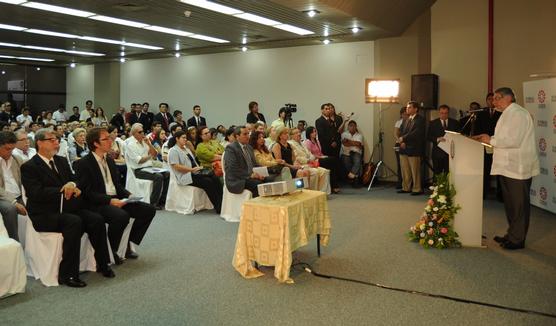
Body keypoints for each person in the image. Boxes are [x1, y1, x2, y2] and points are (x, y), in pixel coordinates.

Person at [21, 128, 114, 287]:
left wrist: (73, 185)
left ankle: (102, 263)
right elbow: (35, 193)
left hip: (68, 207)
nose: (56, 142)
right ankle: (68, 274)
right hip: (44, 213)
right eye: (52, 139)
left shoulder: (61, 161)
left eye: (57, 139)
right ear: (39, 143)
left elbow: (74, 180)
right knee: (74, 222)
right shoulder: (30, 166)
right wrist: (63, 189)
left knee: (96, 219)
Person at [75, 127, 156, 263]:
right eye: (105, 139)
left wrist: (128, 195)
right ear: (95, 143)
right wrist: (109, 201)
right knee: (121, 216)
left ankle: (127, 243)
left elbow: (117, 186)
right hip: (98, 202)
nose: (110, 141)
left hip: (116, 198)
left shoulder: (110, 160)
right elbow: (87, 192)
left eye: (110, 137)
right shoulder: (83, 163)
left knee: (148, 210)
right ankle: (110, 250)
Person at [474, 87, 539, 250]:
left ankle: (517, 240)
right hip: (506, 167)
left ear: (509, 98)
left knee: (518, 206)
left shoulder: (518, 114)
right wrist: (490, 140)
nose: (494, 101)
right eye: (494, 98)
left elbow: (514, 140)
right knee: (510, 204)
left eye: (497, 98)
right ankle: (512, 234)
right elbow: (504, 138)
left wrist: (491, 140)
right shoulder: (507, 113)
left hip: (517, 167)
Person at [168, 130, 222, 213]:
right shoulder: (173, 150)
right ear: (177, 139)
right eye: (183, 138)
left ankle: (222, 202)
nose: (185, 139)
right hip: (185, 175)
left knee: (214, 177)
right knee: (207, 182)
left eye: (186, 138)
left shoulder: (186, 148)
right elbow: (176, 166)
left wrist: (197, 168)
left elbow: (194, 158)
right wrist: (191, 170)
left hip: (195, 171)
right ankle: (218, 207)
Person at [124, 123, 169, 209]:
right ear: (134, 133)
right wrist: (149, 156)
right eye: (140, 132)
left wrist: (149, 144)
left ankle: (162, 200)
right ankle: (153, 203)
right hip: (138, 170)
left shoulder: (145, 142)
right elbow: (139, 161)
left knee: (167, 173)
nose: (142, 134)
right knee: (158, 177)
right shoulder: (130, 145)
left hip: (149, 168)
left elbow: (155, 154)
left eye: (143, 132)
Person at [223, 126, 269, 197]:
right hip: (237, 180)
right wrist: (250, 175)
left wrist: (262, 172)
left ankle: (270, 205)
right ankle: (256, 206)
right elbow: (233, 168)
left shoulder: (249, 147)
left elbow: (254, 164)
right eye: (245, 134)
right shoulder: (231, 148)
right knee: (257, 185)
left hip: (250, 177)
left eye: (248, 134)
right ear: (237, 136)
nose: (248, 136)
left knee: (268, 179)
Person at [476, 92, 503, 200]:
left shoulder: (502, 113)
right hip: (484, 146)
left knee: (500, 172)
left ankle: (501, 195)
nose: (491, 101)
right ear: (486, 101)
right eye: (489, 99)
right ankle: (483, 193)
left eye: (493, 99)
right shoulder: (481, 114)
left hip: (498, 146)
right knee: (485, 170)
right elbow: (478, 129)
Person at [0, 131, 25, 241]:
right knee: (10, 209)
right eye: (7, 149)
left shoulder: (17, 159)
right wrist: (14, 202)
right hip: (3, 198)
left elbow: (26, 178)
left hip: (20, 195)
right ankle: (15, 242)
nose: (10, 152)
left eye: (12, 149)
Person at [288, 128, 330, 193]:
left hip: (309, 162)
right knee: (315, 172)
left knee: (325, 171)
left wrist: (312, 160)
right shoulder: (291, 144)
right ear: (291, 136)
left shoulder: (302, 143)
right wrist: (308, 161)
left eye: (299, 132)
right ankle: (313, 192)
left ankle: (323, 192)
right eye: (296, 133)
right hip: (301, 164)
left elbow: (309, 153)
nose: (299, 134)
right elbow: (297, 157)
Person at [397, 101, 425, 195]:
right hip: (404, 147)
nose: (407, 109)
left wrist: (404, 139)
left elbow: (416, 133)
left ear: (415, 109)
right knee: (405, 170)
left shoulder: (420, 119)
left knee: (415, 170)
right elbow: (401, 131)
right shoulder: (406, 119)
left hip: (414, 148)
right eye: (407, 107)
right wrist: (402, 141)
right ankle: (406, 187)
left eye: (409, 107)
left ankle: (417, 189)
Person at [304, 126, 340, 193]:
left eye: (315, 132)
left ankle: (334, 185)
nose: (315, 133)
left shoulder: (317, 141)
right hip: (315, 160)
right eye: (313, 132)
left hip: (320, 158)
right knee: (332, 160)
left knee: (333, 163)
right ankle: (335, 185)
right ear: (309, 133)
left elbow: (320, 152)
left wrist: (323, 156)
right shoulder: (308, 142)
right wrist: (321, 157)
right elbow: (310, 155)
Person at [427, 104, 460, 175]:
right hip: (437, 153)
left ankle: (448, 186)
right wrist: (437, 139)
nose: (444, 115)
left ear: (448, 113)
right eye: (442, 113)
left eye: (446, 113)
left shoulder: (455, 123)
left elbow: (459, 136)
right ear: (439, 113)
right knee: (437, 174)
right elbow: (428, 136)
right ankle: (437, 186)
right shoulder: (433, 123)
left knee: (449, 174)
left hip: (450, 153)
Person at [394, 107, 408, 189]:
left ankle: (407, 182)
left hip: (408, 144)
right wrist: (400, 141)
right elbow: (395, 134)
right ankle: (400, 182)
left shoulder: (411, 122)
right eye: (403, 114)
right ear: (401, 114)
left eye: (406, 114)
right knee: (400, 164)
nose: (405, 115)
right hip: (399, 144)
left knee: (407, 165)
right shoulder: (398, 122)